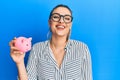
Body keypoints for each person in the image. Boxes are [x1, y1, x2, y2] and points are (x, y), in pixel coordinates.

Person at [9, 4, 92, 80]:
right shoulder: (37, 49)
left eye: (67, 18)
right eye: (56, 17)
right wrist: (19, 62)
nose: (61, 21)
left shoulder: (82, 48)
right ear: (49, 22)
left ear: (70, 24)